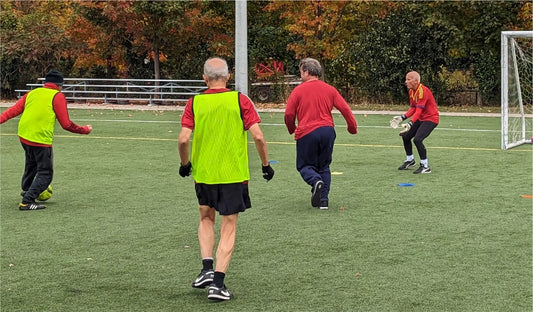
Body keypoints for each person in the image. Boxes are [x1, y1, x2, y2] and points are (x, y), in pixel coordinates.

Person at [178, 57, 274, 301]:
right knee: (229, 225)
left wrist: (185, 164)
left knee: (206, 218)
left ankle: (206, 269)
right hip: (233, 175)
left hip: (204, 174)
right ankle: (218, 284)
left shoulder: (195, 102)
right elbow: (259, 137)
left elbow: (183, 139)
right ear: (228, 77)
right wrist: (265, 165)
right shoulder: (240, 100)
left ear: (204, 78)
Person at [0, 69, 92, 210]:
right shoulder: (57, 96)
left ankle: (26, 189)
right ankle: (27, 201)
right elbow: (66, 124)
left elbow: (12, 111)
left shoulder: (33, 93)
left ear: (46, 83)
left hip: (24, 136)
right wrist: (84, 130)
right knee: (46, 173)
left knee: (31, 165)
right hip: (40, 139)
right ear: (60, 85)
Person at [284, 57, 357, 210]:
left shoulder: (298, 91)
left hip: (307, 132)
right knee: (324, 166)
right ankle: (323, 200)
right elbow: (345, 109)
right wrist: (352, 127)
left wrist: (292, 128)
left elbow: (289, 114)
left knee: (304, 166)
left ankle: (315, 180)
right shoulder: (330, 89)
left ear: (306, 72)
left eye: (301, 72)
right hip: (327, 131)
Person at [392, 71, 439, 174]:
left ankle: (425, 166)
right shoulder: (411, 91)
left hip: (431, 119)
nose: (406, 81)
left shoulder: (423, 91)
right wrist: (402, 117)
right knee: (406, 136)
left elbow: (419, 111)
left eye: (409, 79)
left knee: (417, 139)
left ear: (416, 81)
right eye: (406, 79)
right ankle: (410, 160)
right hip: (421, 118)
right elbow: (413, 108)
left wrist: (410, 123)